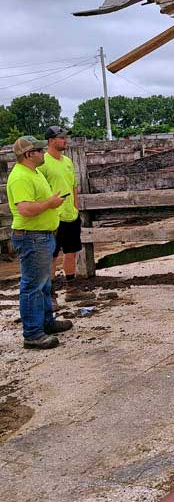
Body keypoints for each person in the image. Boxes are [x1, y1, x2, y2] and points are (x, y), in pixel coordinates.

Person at [6, 136, 73, 350]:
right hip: (32, 237)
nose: (43, 153)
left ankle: (45, 322)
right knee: (33, 286)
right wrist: (50, 203)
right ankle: (33, 334)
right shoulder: (20, 178)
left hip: (41, 235)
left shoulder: (32, 173)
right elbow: (25, 209)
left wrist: (51, 204)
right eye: (39, 150)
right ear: (28, 154)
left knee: (43, 284)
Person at [40, 126, 83, 297]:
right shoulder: (42, 163)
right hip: (53, 217)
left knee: (71, 252)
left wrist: (76, 208)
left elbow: (73, 187)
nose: (65, 140)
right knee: (52, 255)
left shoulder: (67, 161)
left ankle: (71, 288)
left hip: (70, 215)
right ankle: (50, 294)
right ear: (51, 140)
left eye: (65, 137)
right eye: (61, 138)